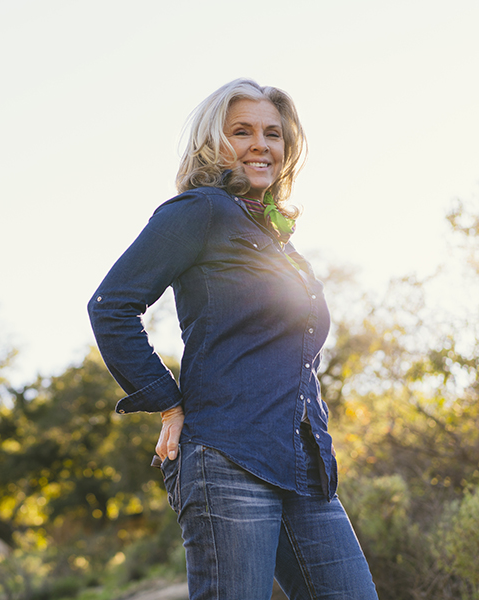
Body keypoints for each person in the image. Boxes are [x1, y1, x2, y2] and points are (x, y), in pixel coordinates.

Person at [88, 78, 378, 600]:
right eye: (241, 131)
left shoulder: (274, 238)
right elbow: (111, 307)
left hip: (305, 468)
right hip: (226, 459)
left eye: (273, 133)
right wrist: (167, 403)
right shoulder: (200, 211)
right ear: (212, 143)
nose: (260, 144)